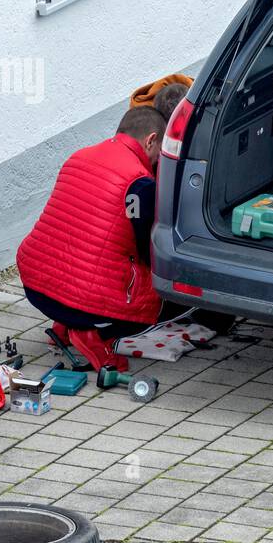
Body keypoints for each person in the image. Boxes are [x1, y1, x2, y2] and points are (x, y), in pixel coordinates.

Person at [16, 106, 167, 372]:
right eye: (160, 150)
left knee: (84, 253)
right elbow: (146, 250)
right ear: (151, 140)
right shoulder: (140, 183)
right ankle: (92, 335)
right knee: (154, 289)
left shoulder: (79, 156)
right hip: (84, 305)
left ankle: (65, 325)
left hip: (36, 286)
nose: (158, 159)